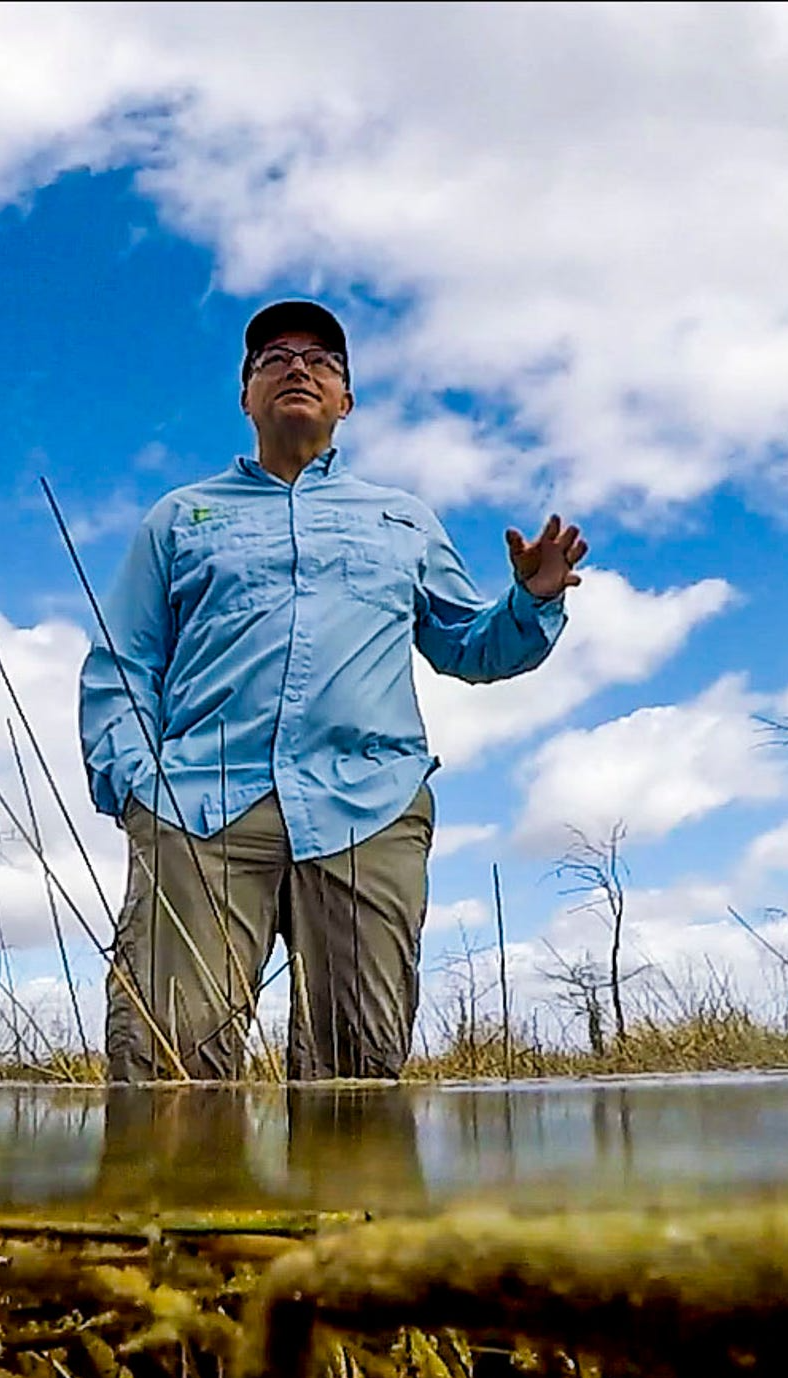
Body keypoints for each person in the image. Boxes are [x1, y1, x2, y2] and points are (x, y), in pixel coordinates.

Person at [79, 299, 586, 1083]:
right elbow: (124, 662)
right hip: (199, 810)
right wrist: (140, 789)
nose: (297, 367)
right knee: (166, 1062)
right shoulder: (180, 518)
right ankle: (171, 1207)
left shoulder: (402, 518)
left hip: (368, 808)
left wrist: (532, 601)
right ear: (245, 396)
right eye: (272, 357)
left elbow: (468, 647)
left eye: (322, 361)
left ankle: (345, 1208)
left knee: (358, 1067)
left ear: (346, 401)